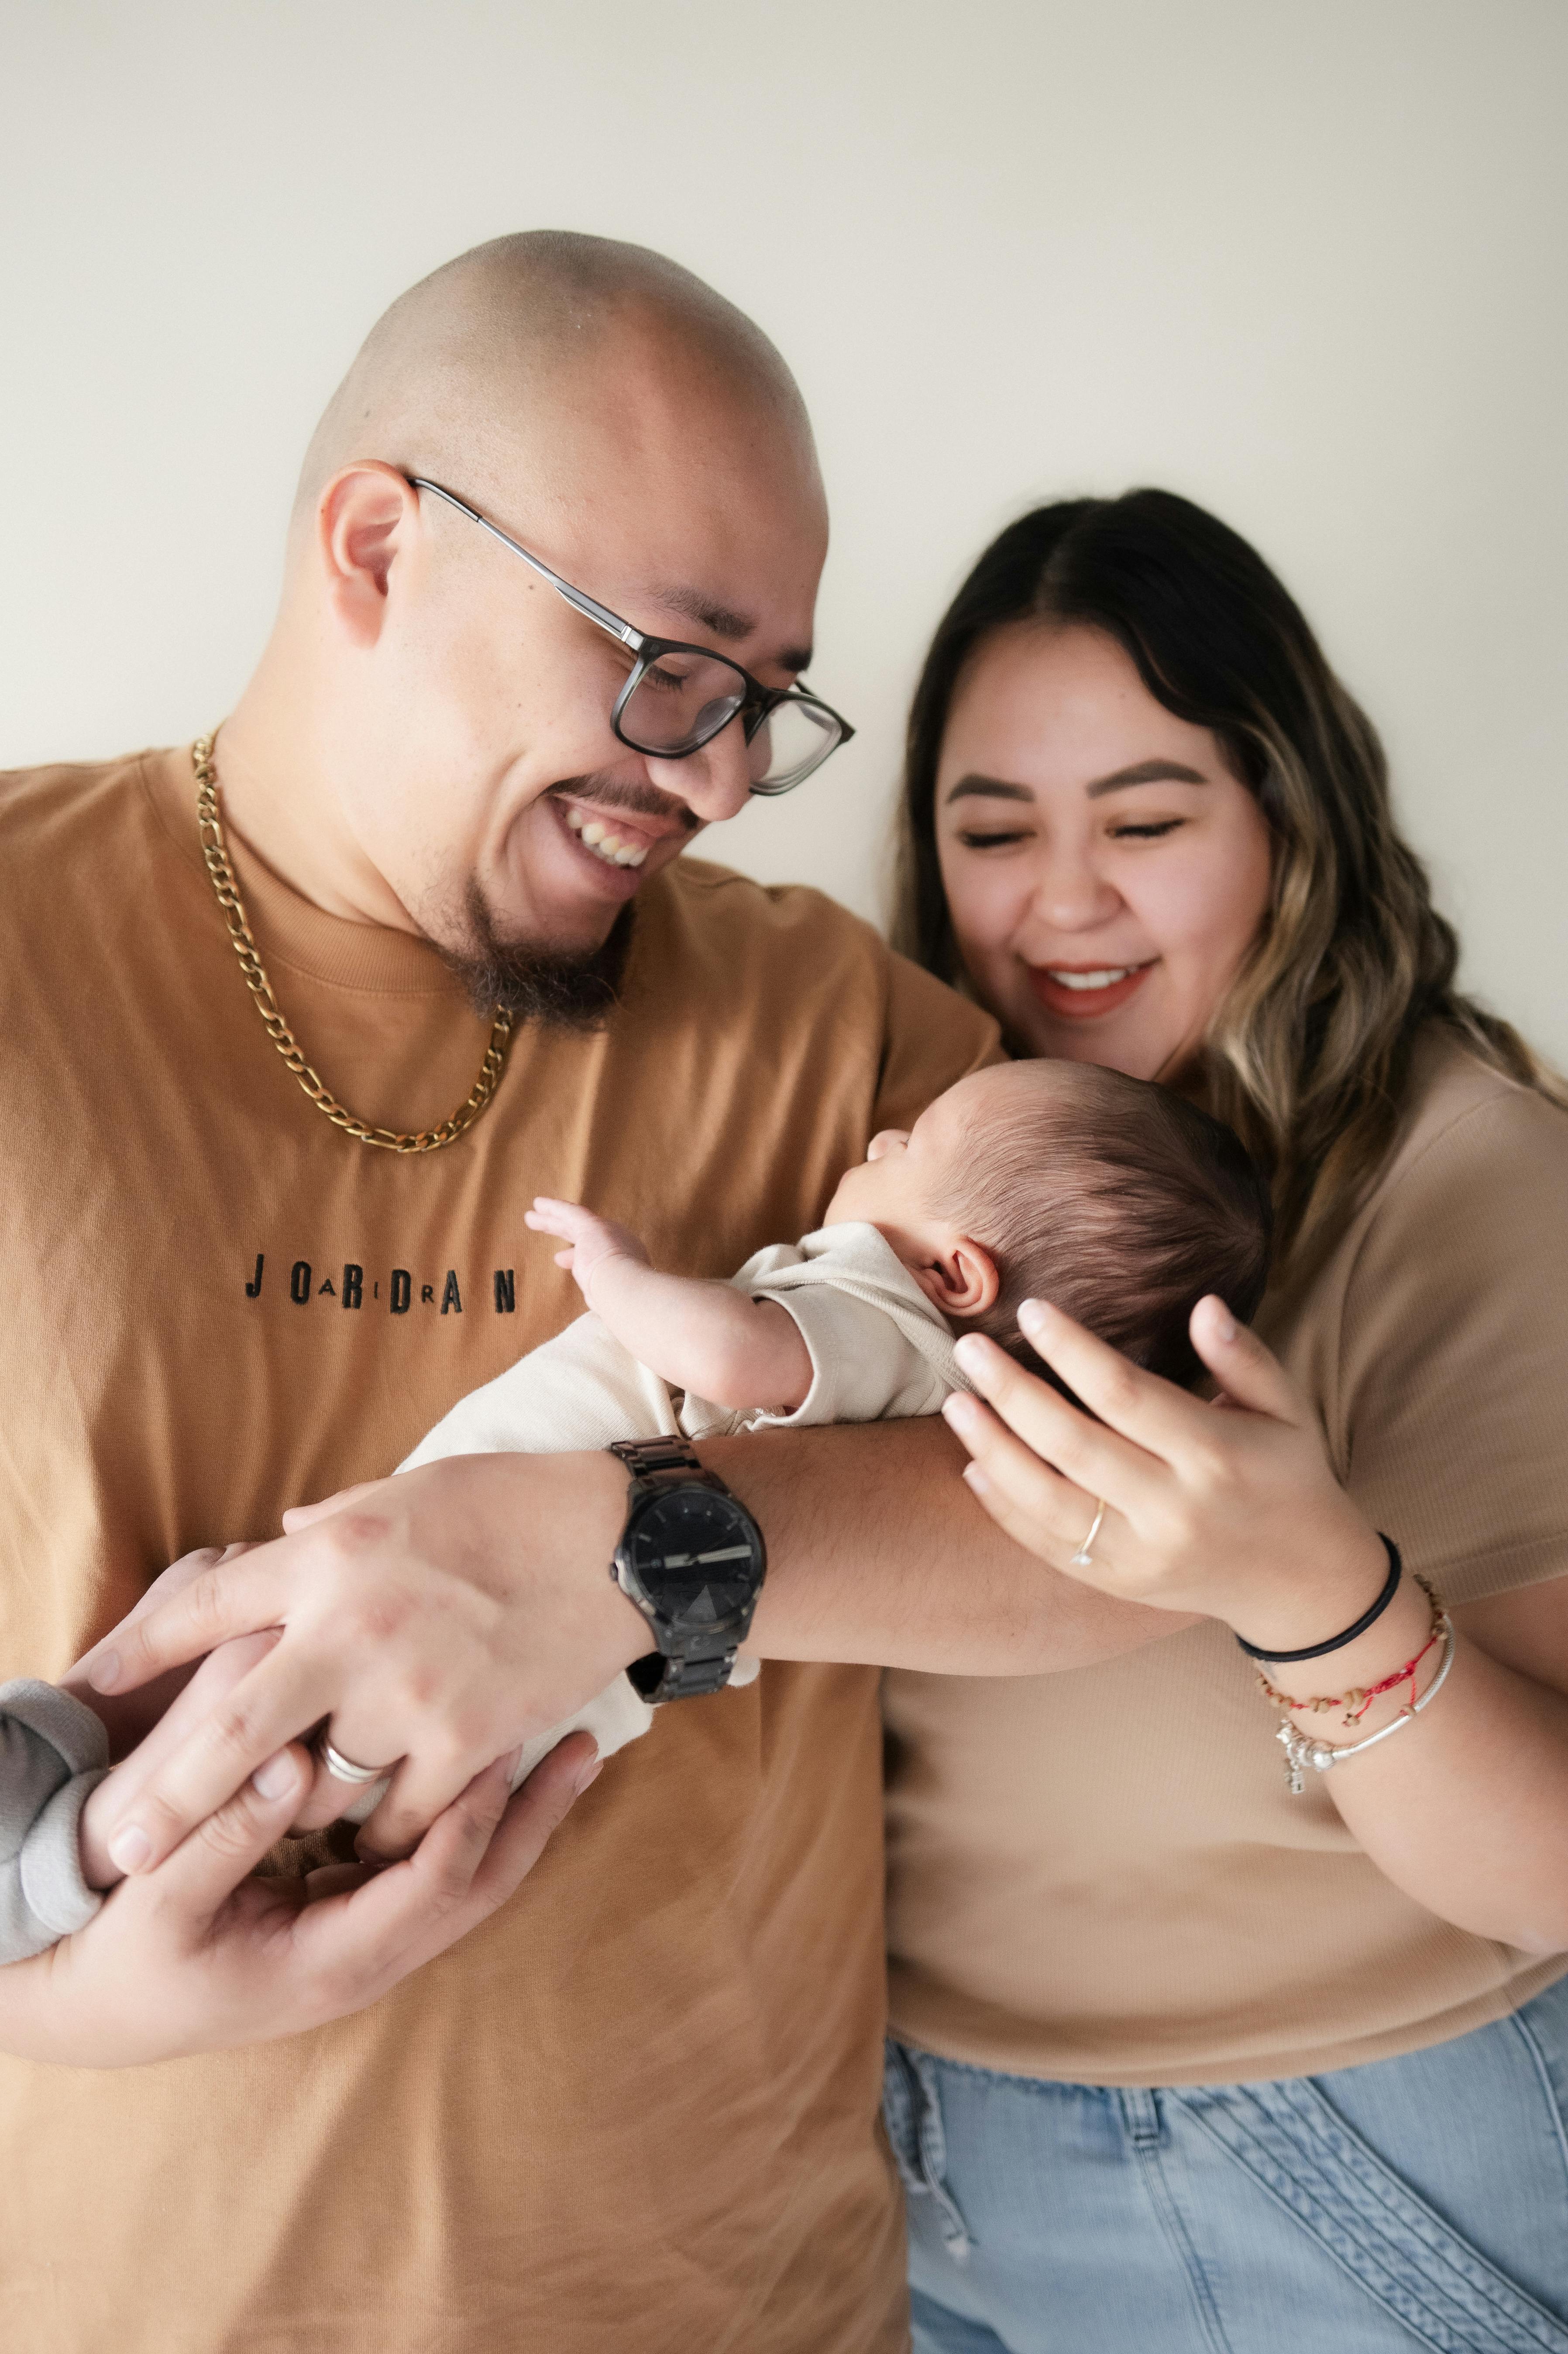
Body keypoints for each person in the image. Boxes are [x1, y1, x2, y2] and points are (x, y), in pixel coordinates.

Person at [0, 233, 1175, 2354]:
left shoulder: (849, 1047)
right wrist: (68, 2010)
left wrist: (629, 1553)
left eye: (768, 706)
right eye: (672, 666)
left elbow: (1142, 1537)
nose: (721, 780)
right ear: (380, 547)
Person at [880, 489, 1568, 2350]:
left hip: (1322, 2149)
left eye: (1149, 819)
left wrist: (1311, 1588)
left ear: (1291, 818)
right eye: (992, 828)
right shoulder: (928, 1181)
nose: (1062, 901)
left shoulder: (1462, 1179)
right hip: (919, 2169)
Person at [6, 1057, 1272, 1893]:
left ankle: (57, 1854)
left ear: (958, 1275)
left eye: (912, 1141)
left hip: (501, 1599)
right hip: (575, 1667)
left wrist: (618, 1273)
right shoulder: (927, 1384)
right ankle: (70, 1834)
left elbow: (737, 1349)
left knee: (246, 1670)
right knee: (280, 1754)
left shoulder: (881, 1314)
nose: (880, 1136)